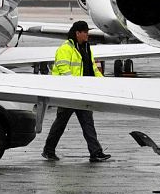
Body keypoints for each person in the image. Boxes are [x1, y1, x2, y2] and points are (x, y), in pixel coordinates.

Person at [41, 21, 111, 162]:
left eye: (87, 31)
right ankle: (48, 151)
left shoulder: (86, 48)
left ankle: (96, 153)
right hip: (68, 93)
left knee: (88, 123)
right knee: (60, 124)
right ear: (77, 33)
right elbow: (62, 68)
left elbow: (93, 68)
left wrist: (103, 82)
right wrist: (74, 85)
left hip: (83, 93)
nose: (87, 34)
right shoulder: (65, 49)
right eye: (84, 32)